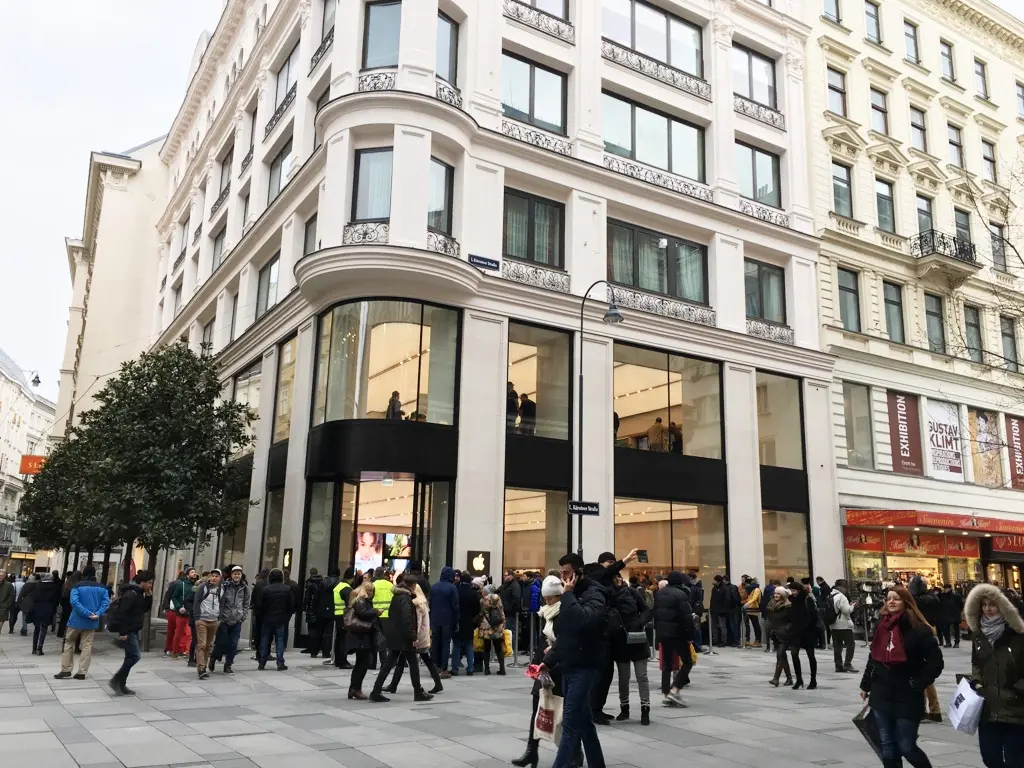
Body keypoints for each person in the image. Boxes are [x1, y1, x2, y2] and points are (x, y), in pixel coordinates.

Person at [859, 586, 943, 768]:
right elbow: (873, 657)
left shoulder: (919, 630)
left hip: (907, 695)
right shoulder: (882, 627)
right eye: (888, 598)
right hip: (881, 693)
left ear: (906, 603)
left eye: (896, 599)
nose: (891, 602)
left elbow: (936, 662)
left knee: (907, 746)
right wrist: (865, 684)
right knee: (887, 746)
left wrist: (919, 683)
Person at [542, 554, 607, 768]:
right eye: (561, 574)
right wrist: (549, 660)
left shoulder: (594, 593)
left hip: (586, 665)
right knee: (585, 723)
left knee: (569, 725)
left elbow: (584, 620)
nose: (563, 578)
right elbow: (566, 634)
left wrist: (568, 595)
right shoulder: (572, 594)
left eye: (567, 573)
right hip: (570, 664)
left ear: (578, 573)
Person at [965, 583, 1024, 767]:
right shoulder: (979, 635)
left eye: (993, 604)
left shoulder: (1018, 634)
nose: (988, 609)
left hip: (1017, 708)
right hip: (989, 707)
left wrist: (1019, 689)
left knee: (1016, 760)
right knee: (990, 758)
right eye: (984, 605)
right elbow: (977, 663)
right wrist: (977, 683)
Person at [512, 574, 565, 768]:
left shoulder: (565, 612)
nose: (548, 601)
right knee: (538, 710)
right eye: (547, 597)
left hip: (559, 668)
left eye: (552, 597)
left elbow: (565, 642)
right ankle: (531, 751)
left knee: (562, 714)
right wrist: (535, 664)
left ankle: (572, 752)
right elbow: (542, 642)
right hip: (544, 667)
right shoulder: (546, 612)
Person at [371, 573, 432, 702]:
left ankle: (376, 690)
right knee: (413, 663)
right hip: (404, 636)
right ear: (413, 585)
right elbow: (407, 619)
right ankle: (418, 692)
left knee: (389, 663)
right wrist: (413, 636)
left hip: (395, 634)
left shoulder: (397, 595)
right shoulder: (405, 598)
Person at [384, 580, 444, 695]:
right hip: (421, 635)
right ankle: (437, 683)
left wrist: (413, 637)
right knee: (421, 659)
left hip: (417, 637)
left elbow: (416, 621)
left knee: (415, 659)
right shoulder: (423, 601)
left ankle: (395, 685)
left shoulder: (416, 603)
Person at [608, 572, 651, 723]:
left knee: (642, 676)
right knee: (623, 677)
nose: (618, 579)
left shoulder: (632, 592)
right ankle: (624, 708)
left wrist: (640, 623)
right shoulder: (610, 595)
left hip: (637, 637)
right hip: (620, 639)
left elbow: (646, 610)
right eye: (615, 578)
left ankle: (645, 709)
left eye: (619, 577)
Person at [53, 565, 109, 680]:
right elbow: (105, 602)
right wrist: (97, 613)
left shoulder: (77, 586)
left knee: (69, 642)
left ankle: (66, 669)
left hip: (76, 620)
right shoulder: (102, 587)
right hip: (92, 620)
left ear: (83, 574)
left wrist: (86, 612)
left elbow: (74, 602)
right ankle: (82, 672)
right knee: (87, 645)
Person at [109, 570, 155, 696]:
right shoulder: (131, 594)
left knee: (129, 657)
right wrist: (123, 633)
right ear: (142, 582)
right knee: (135, 656)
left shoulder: (139, 593)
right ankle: (116, 680)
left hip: (134, 629)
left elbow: (144, 608)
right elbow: (123, 614)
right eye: (149, 583)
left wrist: (149, 595)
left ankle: (121, 684)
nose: (150, 585)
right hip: (129, 630)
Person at [653, 571, 694, 708]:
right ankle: (675, 689)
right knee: (687, 662)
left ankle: (666, 693)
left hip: (663, 633)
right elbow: (687, 617)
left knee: (667, 663)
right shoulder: (681, 594)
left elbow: (656, 613)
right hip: (678, 633)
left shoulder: (660, 593)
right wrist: (690, 635)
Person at [909, 575, 943, 723]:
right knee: (921, 674)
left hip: (925, 633)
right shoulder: (927, 597)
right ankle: (927, 709)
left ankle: (932, 709)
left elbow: (919, 601)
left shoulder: (929, 598)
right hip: (921, 633)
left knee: (925, 675)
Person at [345, 581, 380, 700]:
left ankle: (353, 688)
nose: (371, 593)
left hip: (361, 635)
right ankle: (355, 689)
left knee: (361, 662)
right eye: (370, 591)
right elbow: (362, 613)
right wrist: (376, 611)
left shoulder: (359, 599)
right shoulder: (360, 600)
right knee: (363, 663)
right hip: (361, 635)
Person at [256, 568, 295, 670]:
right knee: (280, 641)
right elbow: (291, 605)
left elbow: (260, 605)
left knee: (264, 640)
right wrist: (287, 617)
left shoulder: (266, 589)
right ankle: (280, 662)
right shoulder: (287, 589)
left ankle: (262, 662)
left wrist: (262, 616)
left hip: (267, 619)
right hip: (281, 619)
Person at [212, 566, 248, 674]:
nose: (237, 576)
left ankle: (228, 664)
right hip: (224, 619)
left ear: (241, 576)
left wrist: (243, 615)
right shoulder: (225, 586)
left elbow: (246, 603)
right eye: (235, 574)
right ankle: (214, 657)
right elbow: (220, 601)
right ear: (231, 575)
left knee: (233, 644)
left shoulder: (245, 588)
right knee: (221, 642)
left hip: (237, 619)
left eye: (238, 574)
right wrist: (220, 616)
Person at [787, 580, 819, 690]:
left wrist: (806, 627)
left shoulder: (807, 599)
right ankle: (799, 679)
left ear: (799, 590)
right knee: (794, 654)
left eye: (794, 590)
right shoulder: (792, 600)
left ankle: (813, 680)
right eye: (791, 590)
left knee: (811, 656)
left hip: (808, 632)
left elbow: (813, 616)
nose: (793, 592)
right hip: (796, 632)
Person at [192, 568, 223, 679]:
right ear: (209, 577)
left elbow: (222, 604)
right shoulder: (202, 588)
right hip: (202, 620)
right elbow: (196, 602)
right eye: (212, 576)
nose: (214, 578)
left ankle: (204, 665)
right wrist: (197, 617)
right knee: (202, 644)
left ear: (220, 578)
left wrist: (219, 618)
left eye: (217, 576)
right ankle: (201, 668)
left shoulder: (221, 590)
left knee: (208, 645)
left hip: (214, 620)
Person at [429, 566, 458, 677]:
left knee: (435, 643)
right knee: (446, 644)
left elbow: (430, 603)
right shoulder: (452, 588)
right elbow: (455, 607)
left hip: (435, 619)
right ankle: (444, 669)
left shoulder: (434, 587)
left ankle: (434, 666)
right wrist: (456, 622)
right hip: (447, 620)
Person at [451, 569, 479, 676]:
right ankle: (470, 668)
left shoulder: (456, 591)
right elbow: (477, 609)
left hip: (458, 621)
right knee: (469, 645)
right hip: (469, 621)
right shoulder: (473, 593)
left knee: (457, 645)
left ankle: (455, 668)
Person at [829, 578, 858, 674]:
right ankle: (848, 664)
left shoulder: (831, 595)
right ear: (841, 587)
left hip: (833, 624)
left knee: (837, 645)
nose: (846, 590)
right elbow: (847, 610)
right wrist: (852, 606)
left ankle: (838, 665)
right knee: (850, 644)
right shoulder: (841, 597)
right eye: (845, 588)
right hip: (843, 624)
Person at [767, 587, 794, 687]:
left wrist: (788, 629)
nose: (776, 595)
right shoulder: (771, 605)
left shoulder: (788, 606)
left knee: (779, 655)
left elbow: (792, 620)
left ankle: (776, 679)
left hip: (785, 633)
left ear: (783, 595)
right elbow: (770, 619)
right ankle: (789, 678)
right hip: (775, 633)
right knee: (782, 656)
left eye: (778, 594)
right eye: (775, 593)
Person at [167, 568, 196, 659]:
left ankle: (187, 652)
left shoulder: (195, 585)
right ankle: (175, 651)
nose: (194, 574)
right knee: (179, 633)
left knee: (190, 633)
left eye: (195, 572)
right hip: (182, 612)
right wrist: (179, 607)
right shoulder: (181, 584)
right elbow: (174, 597)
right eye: (192, 572)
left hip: (191, 612)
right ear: (187, 574)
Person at [326, 568, 352, 668]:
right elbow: (350, 602)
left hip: (337, 614)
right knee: (344, 640)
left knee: (339, 639)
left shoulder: (338, 586)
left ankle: (338, 660)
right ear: (352, 578)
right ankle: (342, 661)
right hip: (344, 615)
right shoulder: (346, 588)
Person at [479, 584, 507, 675]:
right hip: (498, 624)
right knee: (499, 647)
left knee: (486, 648)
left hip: (486, 625)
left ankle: (487, 669)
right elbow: (501, 610)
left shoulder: (483, 600)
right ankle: (502, 668)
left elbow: (482, 611)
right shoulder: (498, 598)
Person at [29, 574, 59, 655]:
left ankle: (34, 648)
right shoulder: (55, 587)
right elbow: (56, 600)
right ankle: (40, 647)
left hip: (37, 607)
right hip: (48, 608)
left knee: (37, 628)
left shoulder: (37, 585)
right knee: (44, 628)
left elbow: (32, 596)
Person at [499, 569, 522, 655]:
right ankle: (507, 648)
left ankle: (511, 649)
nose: (504, 577)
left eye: (506, 575)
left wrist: (508, 608)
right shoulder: (506, 585)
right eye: (504, 575)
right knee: (507, 631)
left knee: (511, 631)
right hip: (505, 612)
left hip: (511, 613)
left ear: (511, 576)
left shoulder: (515, 586)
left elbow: (516, 599)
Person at [938, 584, 964, 649]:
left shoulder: (956, 596)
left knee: (956, 630)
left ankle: (956, 642)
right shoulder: (941, 596)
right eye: (945, 588)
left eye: (947, 588)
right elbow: (939, 605)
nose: (945, 589)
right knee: (946, 629)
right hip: (946, 615)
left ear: (950, 588)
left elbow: (961, 605)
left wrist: (958, 611)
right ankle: (948, 642)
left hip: (954, 614)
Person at [743, 577, 762, 648]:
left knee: (756, 624)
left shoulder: (756, 589)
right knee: (755, 624)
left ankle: (758, 641)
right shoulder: (752, 589)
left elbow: (754, 598)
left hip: (754, 608)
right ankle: (756, 640)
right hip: (750, 608)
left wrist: (747, 604)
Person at [710, 575, 729, 647]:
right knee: (713, 626)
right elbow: (712, 600)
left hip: (721, 611)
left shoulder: (724, 589)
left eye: (715, 580)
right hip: (714, 610)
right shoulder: (714, 588)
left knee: (722, 626)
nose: (713, 581)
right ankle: (715, 640)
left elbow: (727, 600)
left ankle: (724, 641)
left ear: (718, 581)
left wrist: (723, 610)